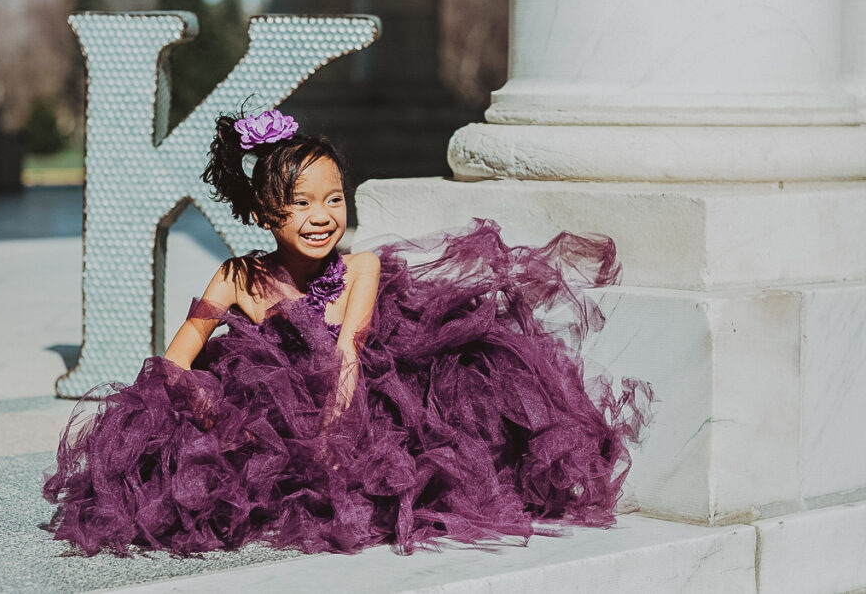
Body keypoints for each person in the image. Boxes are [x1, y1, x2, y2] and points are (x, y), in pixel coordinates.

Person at [43, 108, 652, 557]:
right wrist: (212, 415)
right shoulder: (236, 276)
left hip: (359, 399)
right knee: (189, 462)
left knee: (443, 432)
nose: (322, 217)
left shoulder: (360, 266)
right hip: (262, 411)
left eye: (333, 199)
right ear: (261, 214)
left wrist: (329, 437)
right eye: (301, 204)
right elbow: (173, 362)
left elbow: (348, 353)